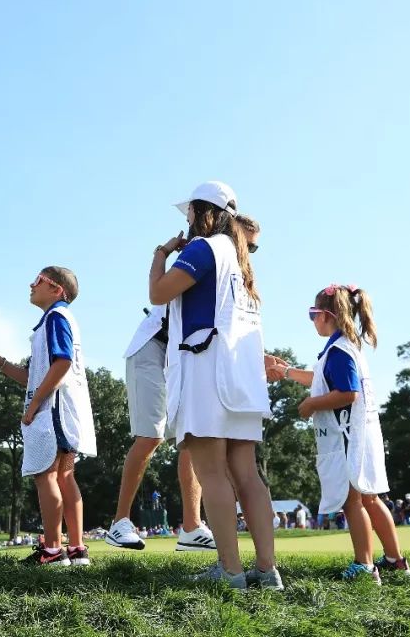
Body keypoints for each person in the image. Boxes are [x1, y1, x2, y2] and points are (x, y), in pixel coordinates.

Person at [148, 181, 281, 590]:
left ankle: (231, 571)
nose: (186, 220)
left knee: (212, 475)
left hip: (207, 370)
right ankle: (266, 569)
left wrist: (159, 255)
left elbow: (157, 294)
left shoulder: (204, 249)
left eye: (189, 212)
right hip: (242, 378)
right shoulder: (242, 262)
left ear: (203, 212)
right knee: (247, 474)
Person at [107, 214, 265, 554]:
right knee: (151, 436)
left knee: (192, 435)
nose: (249, 250)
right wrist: (161, 253)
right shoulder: (205, 251)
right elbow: (160, 295)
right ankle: (119, 523)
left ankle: (192, 527)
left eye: (254, 247)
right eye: (247, 242)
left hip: (181, 358)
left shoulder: (232, 271)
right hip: (153, 349)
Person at [270, 284, 410, 582]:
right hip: (362, 434)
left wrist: (311, 404)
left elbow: (348, 393)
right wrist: (286, 371)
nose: (312, 321)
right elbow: (320, 378)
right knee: (371, 499)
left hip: (348, 436)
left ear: (326, 315)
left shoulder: (339, 350)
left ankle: (365, 565)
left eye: (312, 314)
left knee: (353, 501)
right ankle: (396, 561)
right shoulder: (344, 347)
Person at [0, 267, 96, 567]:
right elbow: (33, 375)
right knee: (65, 475)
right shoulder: (56, 320)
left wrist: (34, 405)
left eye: (38, 280)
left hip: (54, 408)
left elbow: (61, 364)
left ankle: (52, 550)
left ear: (57, 289)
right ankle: (76, 549)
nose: (31, 284)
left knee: (45, 474)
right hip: (67, 407)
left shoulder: (55, 318)